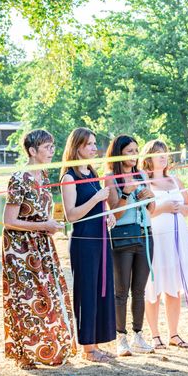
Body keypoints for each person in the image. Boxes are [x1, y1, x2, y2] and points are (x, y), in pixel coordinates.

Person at [2, 129, 76, 369]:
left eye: (53, 146)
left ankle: (49, 348)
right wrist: (43, 225)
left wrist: (51, 224)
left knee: (48, 295)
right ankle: (24, 355)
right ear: (32, 151)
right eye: (47, 147)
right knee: (26, 298)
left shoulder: (43, 175)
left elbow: (42, 211)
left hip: (42, 243)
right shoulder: (19, 177)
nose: (52, 151)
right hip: (20, 247)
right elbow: (9, 220)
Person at [61, 127, 116, 363]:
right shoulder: (69, 177)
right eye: (90, 144)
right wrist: (96, 199)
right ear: (77, 147)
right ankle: (88, 347)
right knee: (87, 291)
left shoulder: (92, 173)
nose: (95, 148)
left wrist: (109, 215)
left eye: (95, 144)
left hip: (101, 239)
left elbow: (98, 208)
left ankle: (97, 341)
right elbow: (71, 215)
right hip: (84, 242)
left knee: (102, 290)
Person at [142, 140, 188, 350]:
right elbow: (144, 212)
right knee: (153, 286)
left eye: (165, 152)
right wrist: (164, 207)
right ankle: (155, 335)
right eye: (158, 153)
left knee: (173, 286)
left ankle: (174, 333)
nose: (162, 156)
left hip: (177, 237)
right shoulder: (144, 182)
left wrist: (181, 209)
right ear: (149, 157)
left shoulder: (175, 180)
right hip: (156, 237)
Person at [106, 135, 156, 356]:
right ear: (118, 153)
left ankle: (138, 335)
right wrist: (126, 193)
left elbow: (151, 209)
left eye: (136, 150)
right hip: (122, 236)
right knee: (121, 290)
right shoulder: (110, 178)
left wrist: (149, 197)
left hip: (145, 235)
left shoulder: (141, 174)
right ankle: (121, 337)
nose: (134, 155)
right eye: (129, 151)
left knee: (139, 289)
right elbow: (115, 212)